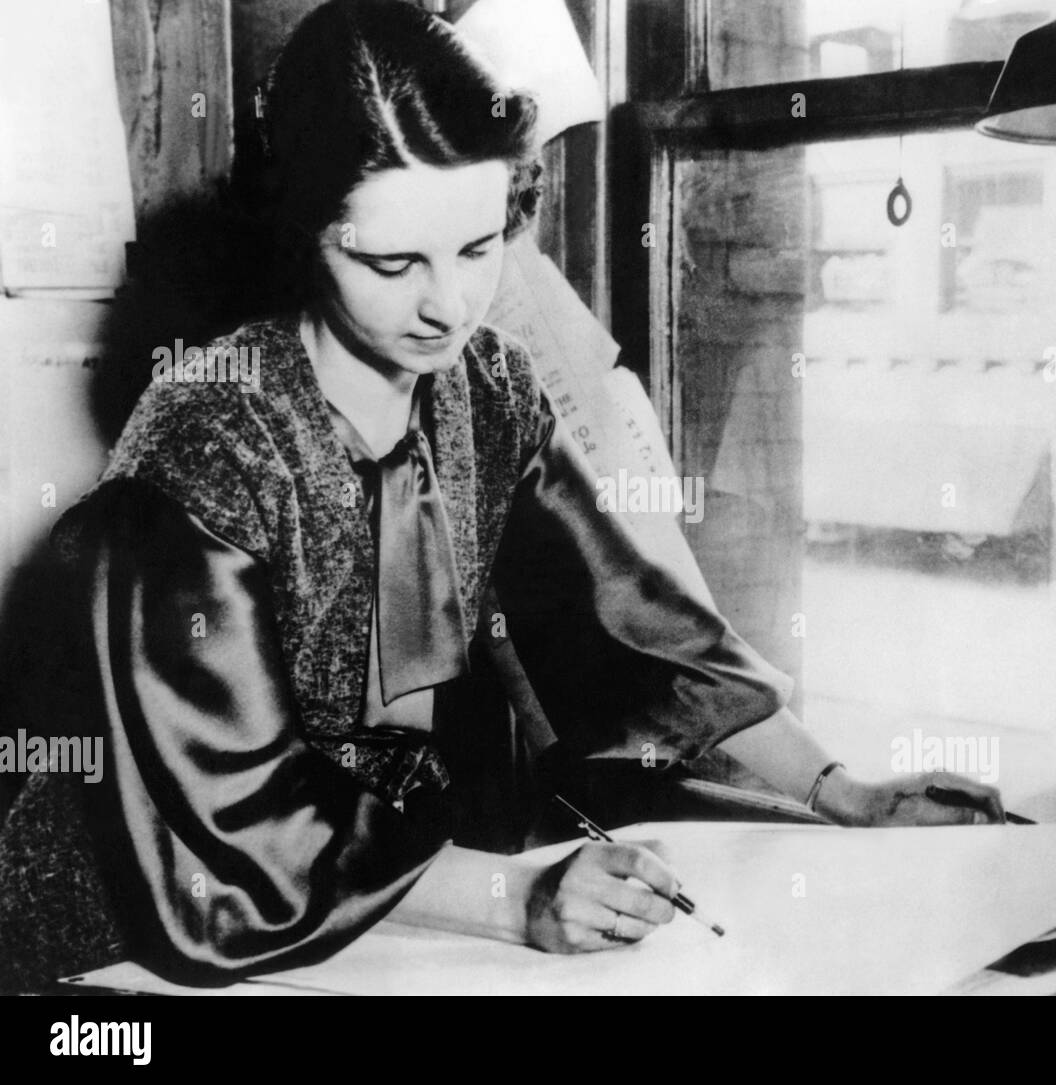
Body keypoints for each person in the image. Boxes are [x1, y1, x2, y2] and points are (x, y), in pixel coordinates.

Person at [0, 0, 1003, 992]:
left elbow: (633, 632)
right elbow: (234, 829)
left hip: (387, 915)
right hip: (134, 944)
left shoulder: (488, 387)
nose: (447, 303)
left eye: (477, 248)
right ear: (304, 231)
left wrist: (843, 793)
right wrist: (513, 896)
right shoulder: (206, 439)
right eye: (393, 261)